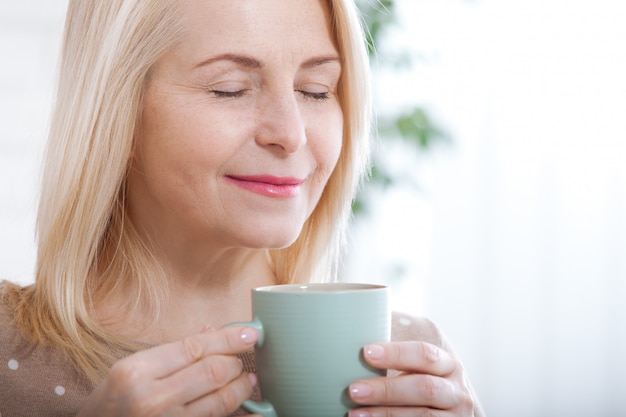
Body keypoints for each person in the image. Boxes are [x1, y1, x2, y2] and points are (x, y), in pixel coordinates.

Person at [0, 0, 484, 416]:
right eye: (230, 88)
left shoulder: (411, 369)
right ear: (115, 112)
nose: (290, 134)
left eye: (316, 90)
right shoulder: (10, 356)